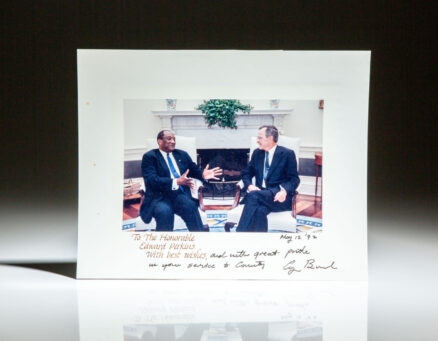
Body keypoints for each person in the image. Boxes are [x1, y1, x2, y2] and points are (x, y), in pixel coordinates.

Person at [140, 130, 222, 231]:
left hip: (178, 195)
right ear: (159, 141)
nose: (173, 141)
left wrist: (203, 175)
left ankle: (200, 238)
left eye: (174, 139)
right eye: (169, 139)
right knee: (165, 212)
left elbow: (195, 171)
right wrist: (176, 181)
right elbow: (151, 180)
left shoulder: (182, 154)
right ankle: (163, 243)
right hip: (159, 197)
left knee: (190, 206)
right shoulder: (150, 157)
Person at [236, 125, 300, 232]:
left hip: (278, 197)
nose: (257, 141)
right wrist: (250, 185)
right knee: (260, 211)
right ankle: (260, 242)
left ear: (270, 138)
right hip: (260, 195)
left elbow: (294, 179)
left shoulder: (287, 154)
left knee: (253, 196)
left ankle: (240, 233)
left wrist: (284, 191)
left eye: (260, 138)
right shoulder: (257, 153)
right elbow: (246, 173)